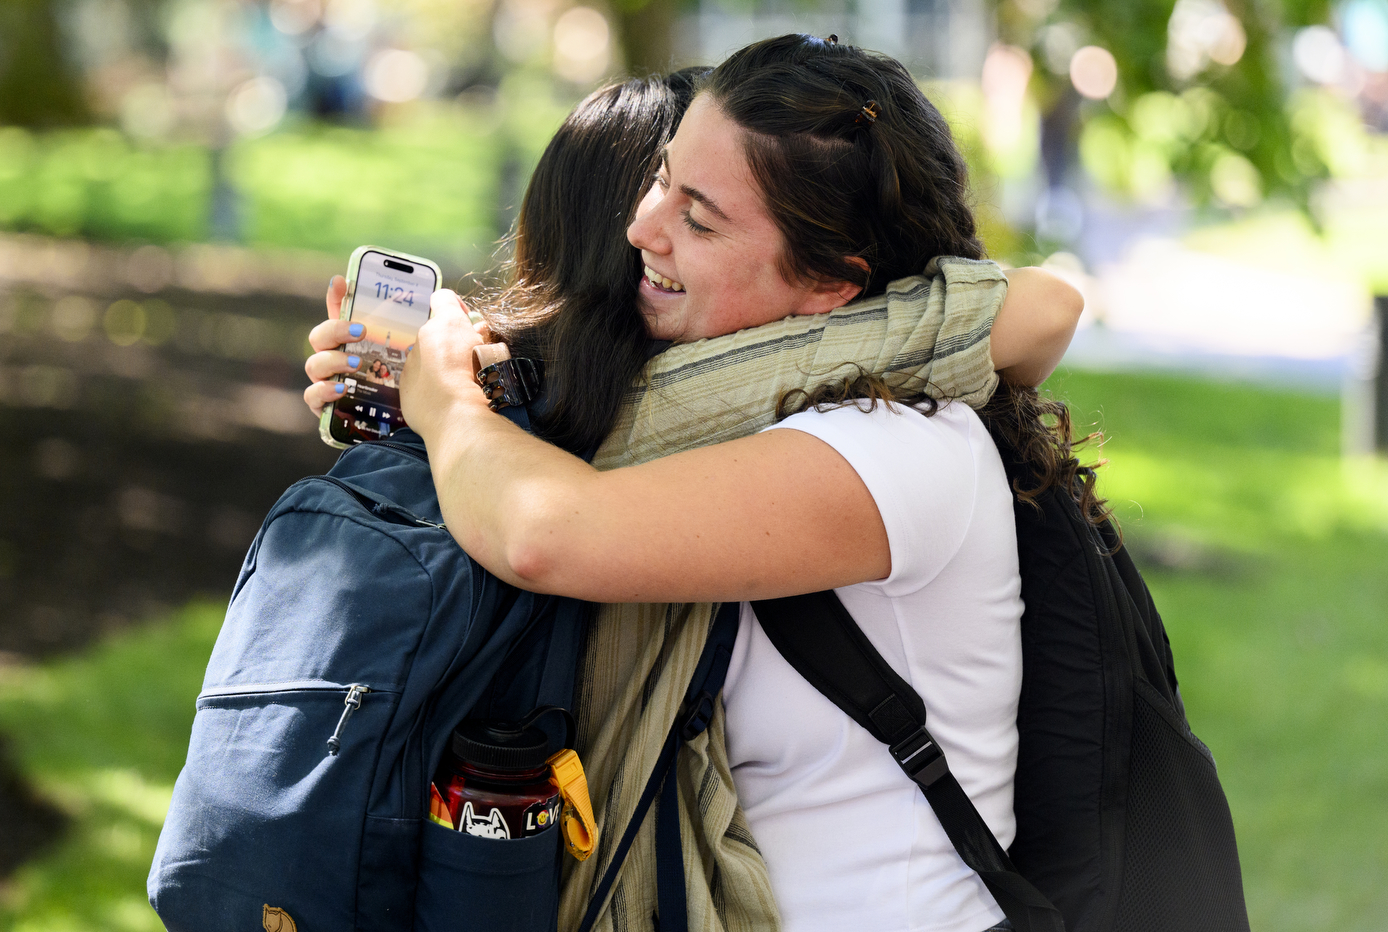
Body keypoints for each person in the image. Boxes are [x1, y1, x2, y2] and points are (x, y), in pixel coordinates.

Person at [303, 40, 1085, 932]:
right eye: (662, 179)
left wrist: (448, 410)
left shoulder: (898, 450)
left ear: (832, 286)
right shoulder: (717, 412)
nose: (644, 228)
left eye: (701, 219)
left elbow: (544, 531)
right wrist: (459, 389)